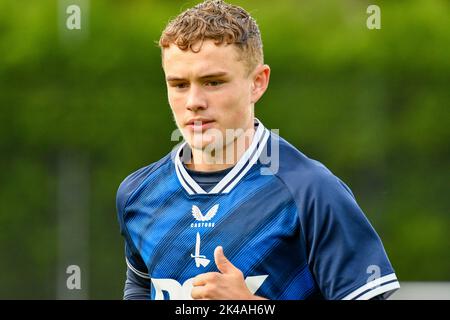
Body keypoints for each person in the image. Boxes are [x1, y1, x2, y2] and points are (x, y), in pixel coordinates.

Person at [116, 0, 400, 300]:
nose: (194, 101)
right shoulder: (138, 194)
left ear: (257, 83)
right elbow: (140, 286)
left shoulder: (312, 192)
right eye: (179, 84)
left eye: (213, 82)